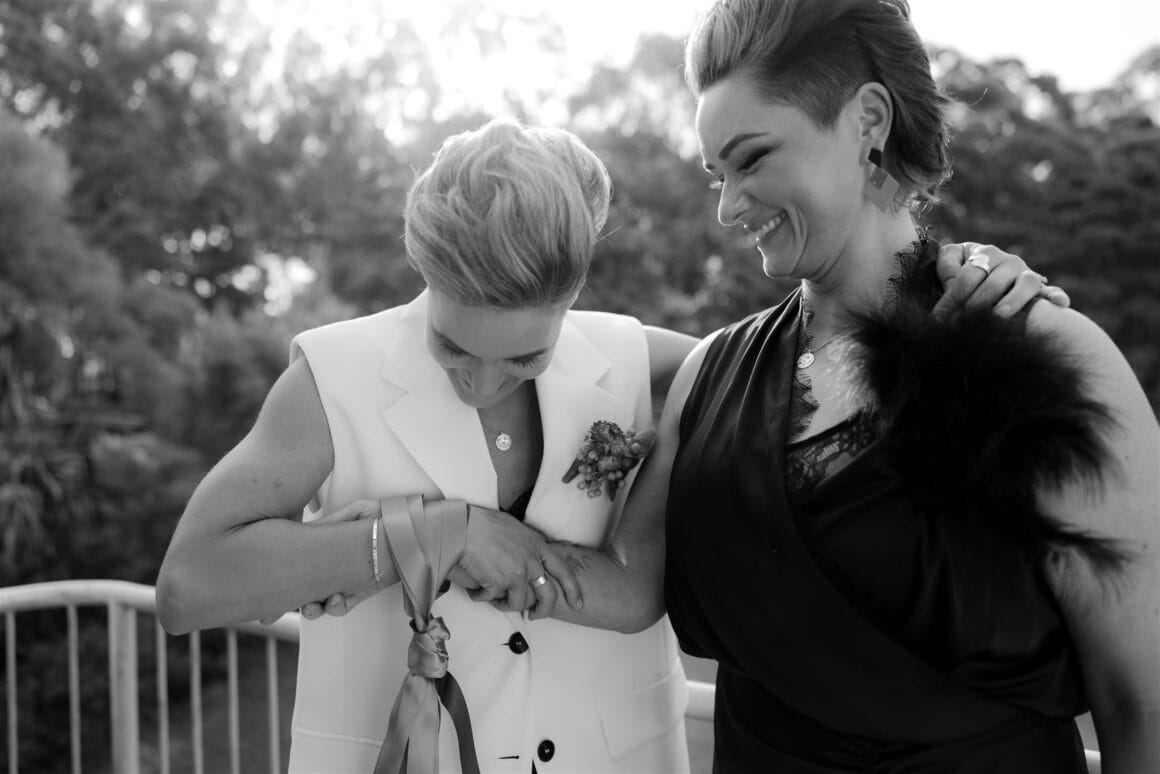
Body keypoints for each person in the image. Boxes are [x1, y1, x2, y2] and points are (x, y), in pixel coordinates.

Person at [156, 118, 1065, 772]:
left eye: (524, 356)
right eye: (453, 348)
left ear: (573, 296)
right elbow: (189, 586)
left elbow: (822, 348)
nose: (481, 382)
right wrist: (417, 536)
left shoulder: (649, 364)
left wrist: (952, 275)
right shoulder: (332, 377)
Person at [476, 2, 1159, 773]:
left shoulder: (1046, 356)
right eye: (717, 176)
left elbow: (1142, 704)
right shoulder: (711, 372)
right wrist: (451, 539)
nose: (728, 207)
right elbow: (631, 583)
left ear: (868, 121)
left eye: (752, 159)